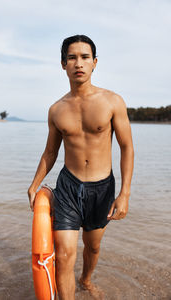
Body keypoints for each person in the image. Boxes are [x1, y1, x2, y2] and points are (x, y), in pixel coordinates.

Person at [28, 34, 134, 300]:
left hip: (102, 187)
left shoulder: (112, 101)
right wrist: (33, 185)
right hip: (68, 186)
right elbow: (51, 151)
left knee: (93, 247)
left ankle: (86, 279)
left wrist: (125, 193)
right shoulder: (56, 110)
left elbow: (127, 147)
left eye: (85, 57)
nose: (79, 63)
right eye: (72, 57)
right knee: (63, 255)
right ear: (63, 64)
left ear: (95, 62)